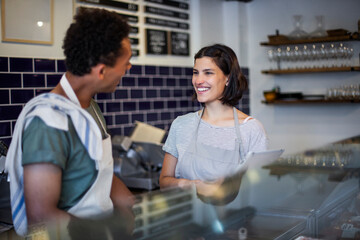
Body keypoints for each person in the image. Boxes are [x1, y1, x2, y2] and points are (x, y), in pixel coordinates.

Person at [5, 7, 134, 237]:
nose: (129, 68)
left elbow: (97, 169)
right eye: (126, 62)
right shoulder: (48, 121)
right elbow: (42, 216)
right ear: (102, 71)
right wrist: (105, 231)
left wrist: (130, 204)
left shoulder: (89, 107)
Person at [159, 44, 268, 197]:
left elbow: (259, 186)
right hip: (185, 216)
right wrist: (191, 185)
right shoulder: (181, 124)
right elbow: (164, 182)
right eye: (195, 73)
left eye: (208, 73)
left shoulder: (251, 128)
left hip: (233, 216)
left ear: (228, 78)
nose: (198, 80)